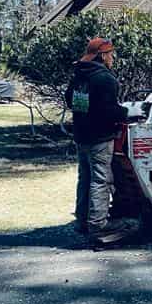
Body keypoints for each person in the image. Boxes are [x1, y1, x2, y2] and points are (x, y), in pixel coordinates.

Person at [65, 36, 128, 237]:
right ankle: (98, 224)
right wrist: (126, 113)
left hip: (81, 135)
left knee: (84, 179)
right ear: (102, 56)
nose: (112, 58)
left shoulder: (79, 75)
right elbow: (108, 111)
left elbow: (70, 100)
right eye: (110, 54)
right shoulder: (105, 79)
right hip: (100, 137)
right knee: (100, 180)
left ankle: (82, 221)